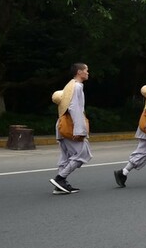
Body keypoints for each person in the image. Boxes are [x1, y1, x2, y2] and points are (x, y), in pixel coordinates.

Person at [50, 63, 93, 194]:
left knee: (65, 156)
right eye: (86, 70)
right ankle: (60, 178)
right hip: (71, 126)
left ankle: (59, 186)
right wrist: (80, 130)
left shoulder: (70, 85)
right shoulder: (77, 86)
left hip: (62, 125)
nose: (88, 73)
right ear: (79, 72)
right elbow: (75, 108)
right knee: (83, 154)